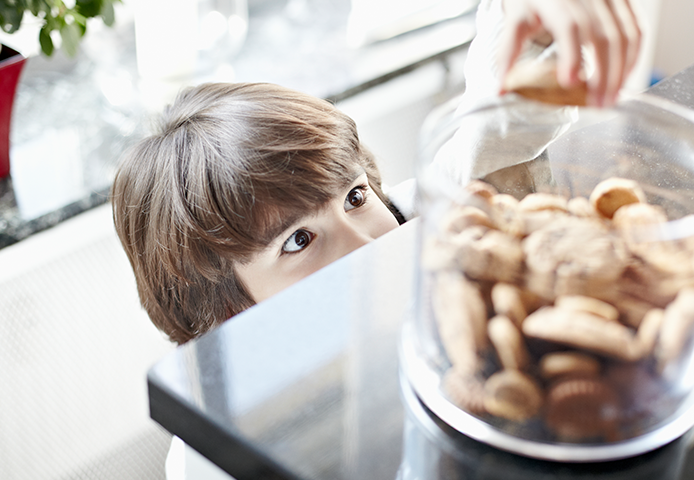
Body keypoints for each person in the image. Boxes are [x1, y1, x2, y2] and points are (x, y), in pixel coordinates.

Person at [112, 0, 643, 348]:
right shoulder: (216, 448)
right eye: (298, 240)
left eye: (355, 197)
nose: (368, 241)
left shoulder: (422, 226)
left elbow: (501, 122)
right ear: (232, 313)